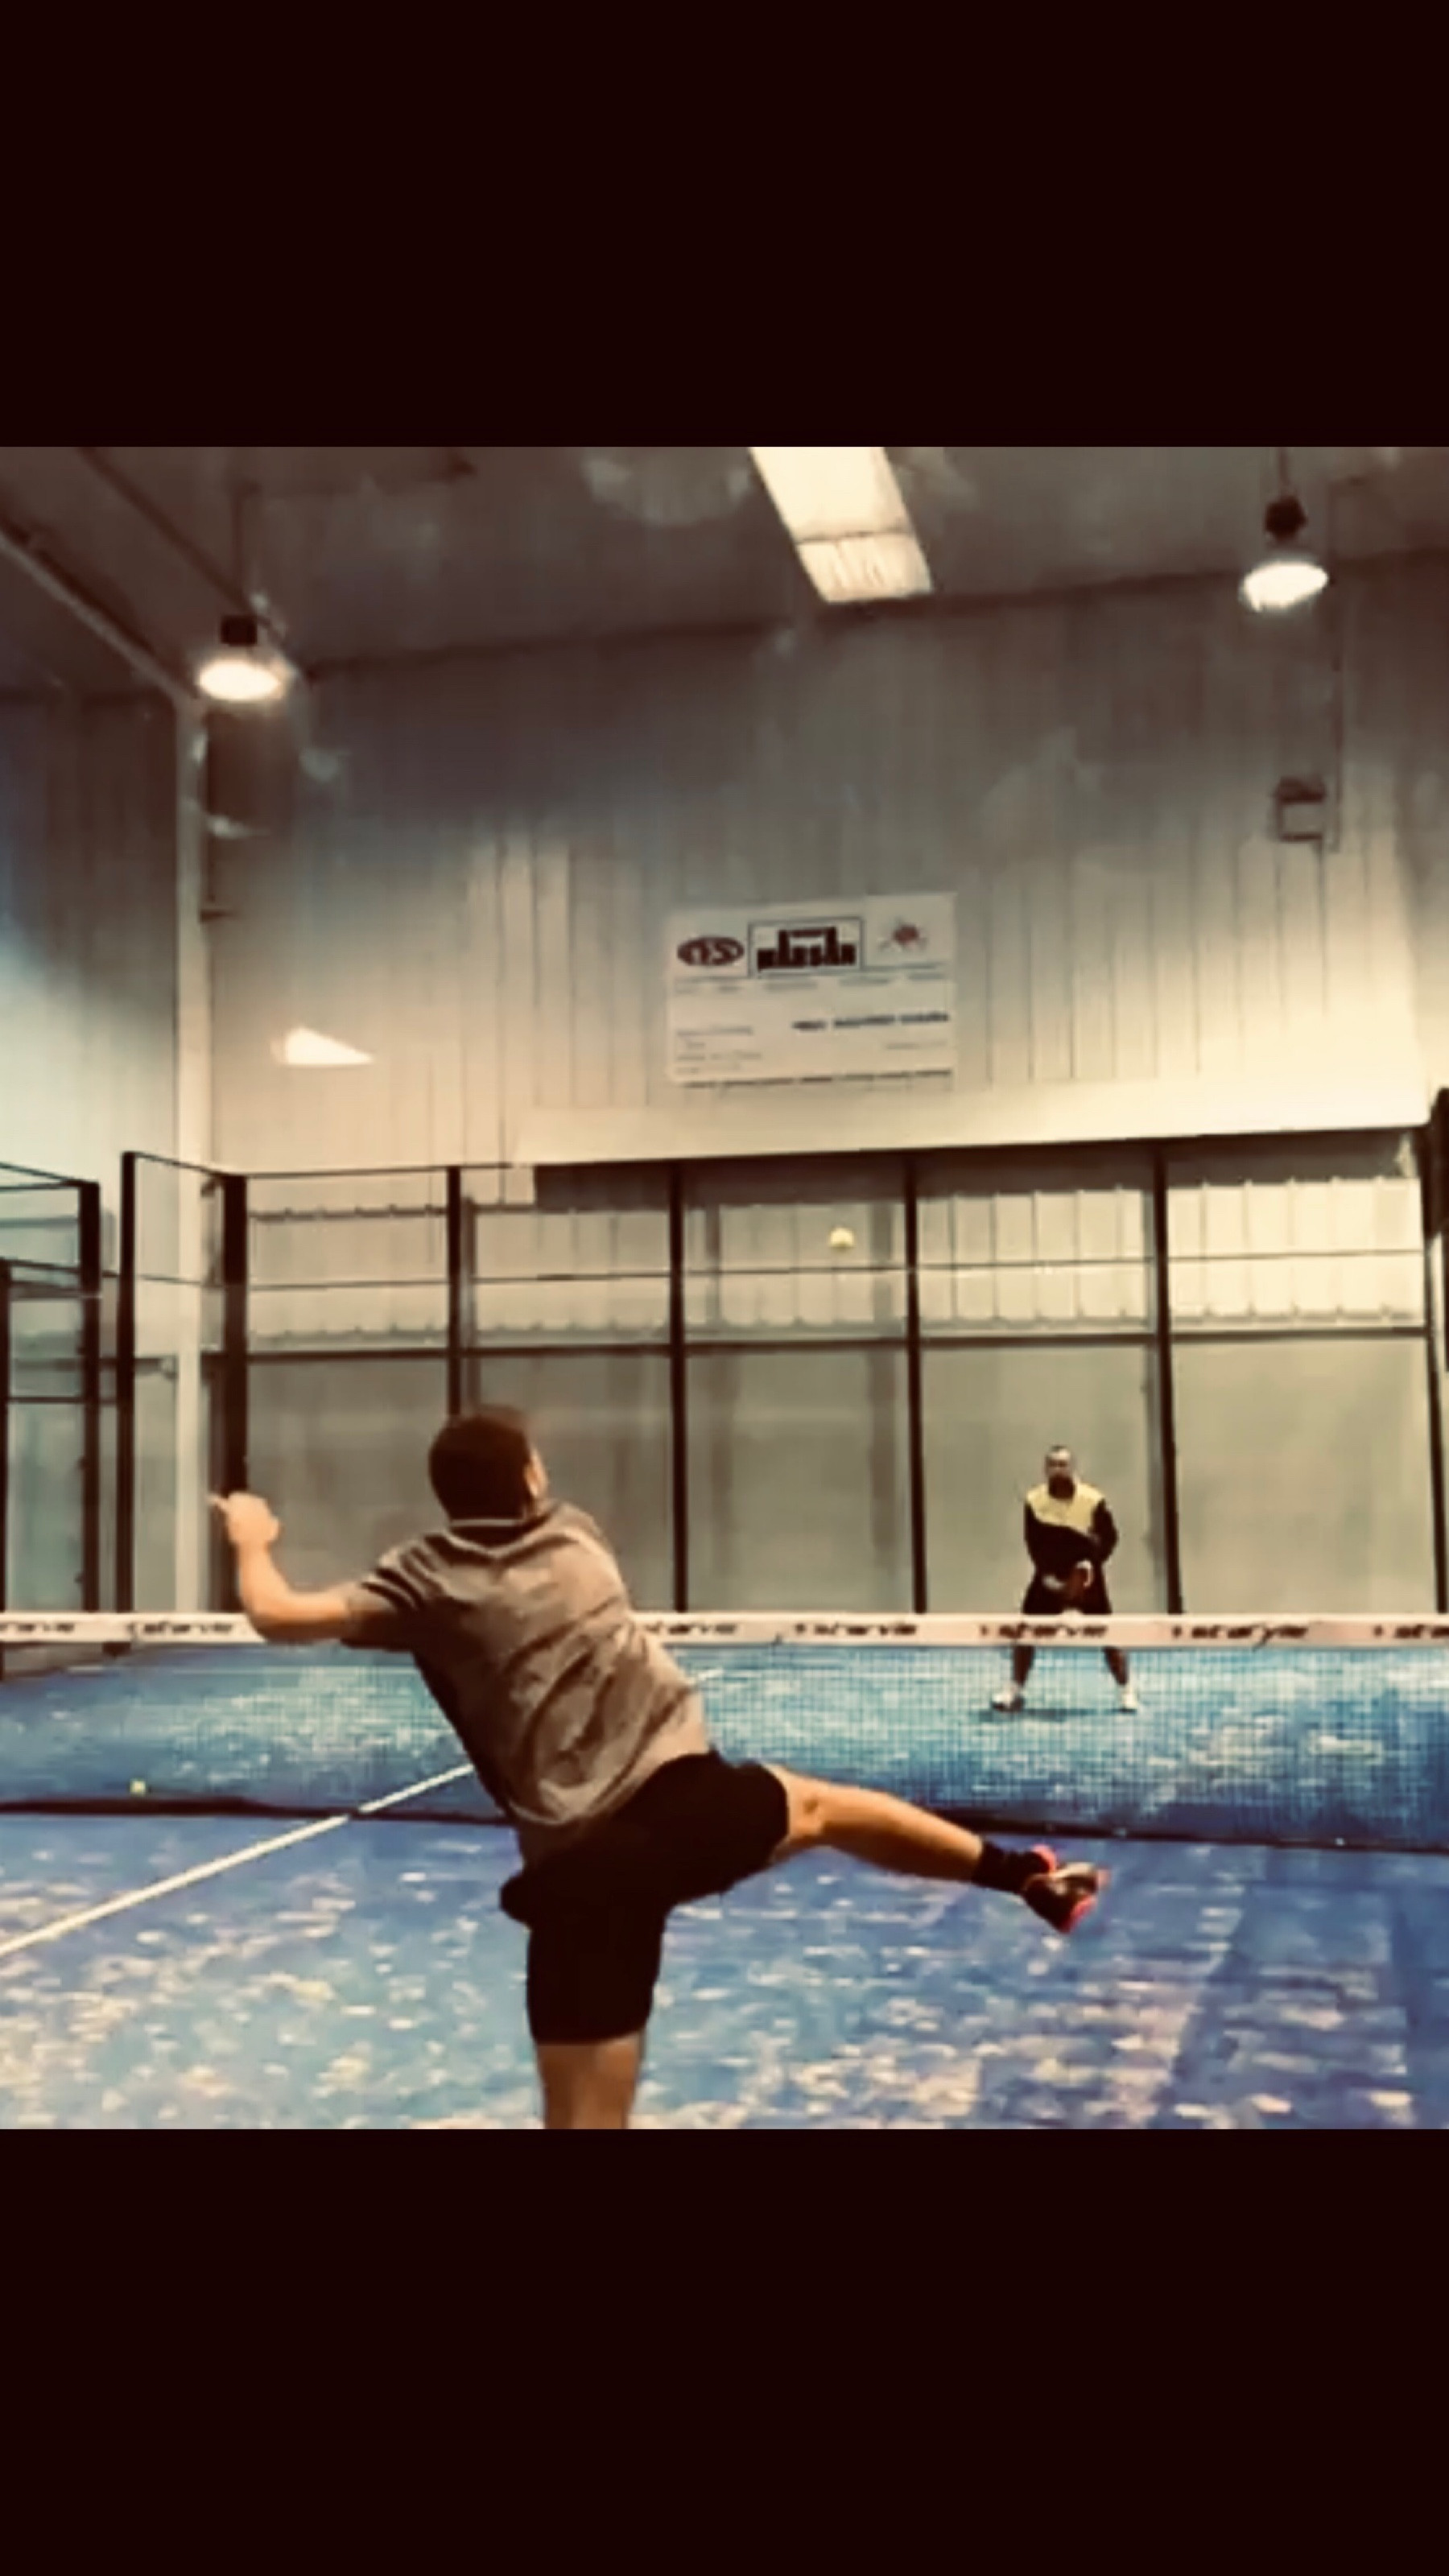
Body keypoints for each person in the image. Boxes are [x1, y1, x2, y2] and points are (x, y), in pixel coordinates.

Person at [213, 1407, 1108, 2132]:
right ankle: (1022, 1877)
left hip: (572, 1864)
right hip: (680, 1807)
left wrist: (253, 1535)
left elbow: (276, 1614)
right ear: (531, 1481)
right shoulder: (576, 1535)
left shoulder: (422, 1581)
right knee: (823, 1809)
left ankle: (1023, 1876)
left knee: (580, 2118)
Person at [993, 1445, 1137, 1715]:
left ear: (1072, 1468)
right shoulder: (1034, 1501)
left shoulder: (1093, 1500)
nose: (1058, 1470)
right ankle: (1015, 1689)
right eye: (1053, 1465)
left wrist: (1087, 1569)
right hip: (1048, 1578)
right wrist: (1053, 1579)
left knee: (1108, 1634)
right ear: (1046, 1469)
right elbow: (1034, 1544)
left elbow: (1110, 1538)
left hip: (1087, 1580)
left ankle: (1126, 1691)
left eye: (1063, 1465)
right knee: (1026, 1631)